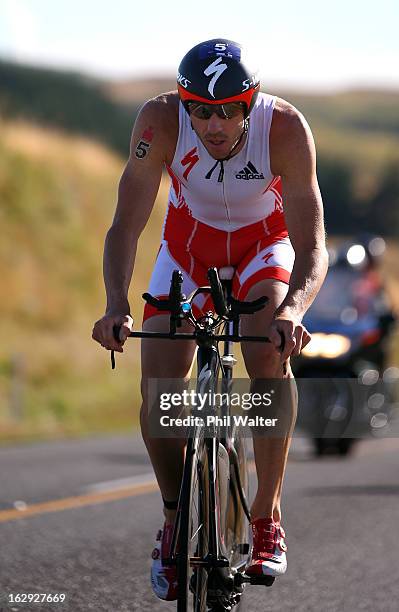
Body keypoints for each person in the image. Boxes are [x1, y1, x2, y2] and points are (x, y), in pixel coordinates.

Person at [92, 39, 329, 601]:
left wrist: (293, 310)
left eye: (228, 111)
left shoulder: (286, 129)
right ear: (184, 103)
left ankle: (267, 516)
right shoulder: (159, 122)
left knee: (267, 352)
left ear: (249, 104)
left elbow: (311, 240)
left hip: (263, 249)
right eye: (201, 109)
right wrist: (116, 305)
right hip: (187, 252)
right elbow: (126, 223)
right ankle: (175, 520)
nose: (214, 123)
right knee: (159, 392)